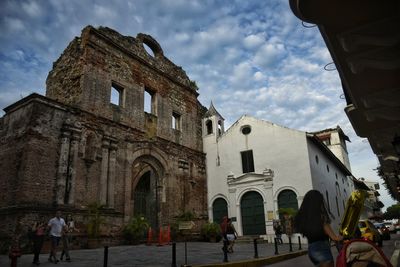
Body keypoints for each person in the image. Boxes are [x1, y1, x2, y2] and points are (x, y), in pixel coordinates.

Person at [294, 190, 342, 267]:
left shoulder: (303, 218)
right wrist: (342, 236)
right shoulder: (321, 217)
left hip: (311, 250)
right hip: (322, 248)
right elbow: (334, 238)